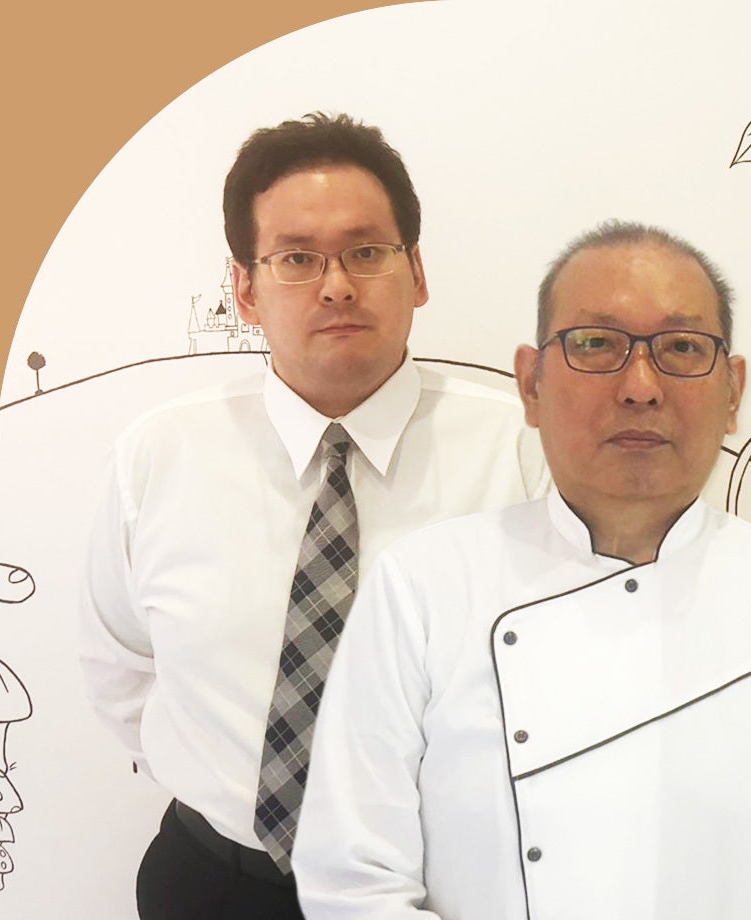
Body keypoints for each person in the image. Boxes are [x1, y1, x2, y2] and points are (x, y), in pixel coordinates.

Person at [291, 221, 751, 919]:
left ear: (734, 393)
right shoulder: (422, 587)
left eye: (682, 348)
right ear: (531, 385)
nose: (641, 387)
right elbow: (355, 882)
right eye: (595, 345)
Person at [78, 112, 549, 920]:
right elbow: (121, 668)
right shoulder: (157, 458)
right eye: (297, 258)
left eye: (366, 252)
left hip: (448, 887)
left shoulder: (526, 456)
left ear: (417, 272)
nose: (336, 286)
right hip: (215, 885)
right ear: (245, 289)